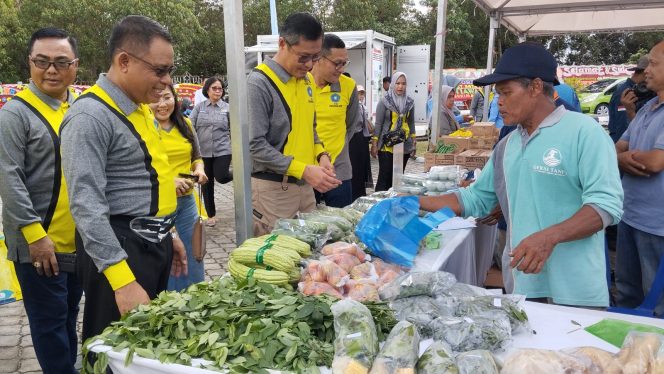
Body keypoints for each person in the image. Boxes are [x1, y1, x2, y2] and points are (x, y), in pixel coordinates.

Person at [419, 42, 623, 308]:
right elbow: (474, 198)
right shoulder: (508, 145)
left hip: (576, 289)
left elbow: (606, 205)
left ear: (536, 87)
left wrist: (549, 237)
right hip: (523, 284)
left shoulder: (585, 132)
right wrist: (413, 202)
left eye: (506, 92)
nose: (499, 102)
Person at [60, 15, 187, 342]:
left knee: (146, 345)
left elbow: (149, 179)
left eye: (169, 71)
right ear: (124, 61)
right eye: (159, 70)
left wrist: (168, 231)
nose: (166, 81)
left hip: (150, 244)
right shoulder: (90, 116)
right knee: (115, 350)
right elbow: (86, 206)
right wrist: (122, 281)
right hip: (119, 251)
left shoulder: (139, 105)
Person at [0, 27, 82, 374]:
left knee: (68, 315)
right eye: (42, 61)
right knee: (49, 324)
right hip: (40, 245)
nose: (51, 70)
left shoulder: (78, 107)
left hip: (77, 241)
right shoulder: (14, 115)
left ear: (75, 66)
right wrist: (36, 237)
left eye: (61, 62)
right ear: (30, 63)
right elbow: (9, 178)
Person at [248, 12, 340, 236]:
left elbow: (311, 129)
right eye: (303, 57)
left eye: (315, 57)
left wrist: (322, 156)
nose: (309, 65)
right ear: (282, 44)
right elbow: (255, 146)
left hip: (305, 187)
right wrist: (304, 170)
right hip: (272, 192)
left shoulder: (306, 80)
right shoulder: (259, 83)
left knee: (310, 259)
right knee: (275, 262)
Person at [615, 42, 664, 315]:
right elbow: (617, 149)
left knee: (657, 304)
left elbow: (656, 162)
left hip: (658, 226)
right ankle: (623, 352)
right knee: (626, 293)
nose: (646, 71)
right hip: (630, 215)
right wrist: (623, 158)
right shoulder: (646, 109)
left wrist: (622, 158)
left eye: (654, 64)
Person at [149, 85, 208, 291]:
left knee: (194, 252)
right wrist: (168, 182)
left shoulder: (186, 124)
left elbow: (197, 157)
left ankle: (197, 298)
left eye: (167, 97)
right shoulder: (145, 128)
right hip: (159, 206)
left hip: (186, 202)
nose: (162, 104)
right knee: (168, 255)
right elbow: (142, 167)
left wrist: (199, 170)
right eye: (156, 99)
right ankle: (172, 304)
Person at [309, 34, 360, 207]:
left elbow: (351, 125)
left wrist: (336, 150)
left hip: (338, 171)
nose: (341, 68)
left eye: (344, 63)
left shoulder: (348, 86)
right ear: (318, 58)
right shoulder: (301, 84)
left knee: (341, 227)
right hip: (306, 171)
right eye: (337, 63)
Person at [190, 77, 232, 227]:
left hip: (223, 150)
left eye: (220, 88)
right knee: (207, 183)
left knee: (221, 176)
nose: (218, 91)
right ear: (207, 90)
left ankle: (238, 175)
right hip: (203, 151)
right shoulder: (199, 108)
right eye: (214, 88)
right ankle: (211, 215)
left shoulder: (227, 108)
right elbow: (190, 127)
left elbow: (234, 129)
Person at [371, 72, 417, 191]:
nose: (400, 87)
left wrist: (414, 140)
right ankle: (380, 203)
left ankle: (393, 204)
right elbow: (378, 123)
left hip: (404, 144)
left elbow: (411, 122)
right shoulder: (384, 101)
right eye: (397, 83)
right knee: (384, 177)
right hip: (386, 145)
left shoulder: (410, 102)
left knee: (397, 179)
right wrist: (375, 143)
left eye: (403, 84)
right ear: (393, 84)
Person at [608, 55, 648, 143]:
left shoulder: (646, 92)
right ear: (645, 73)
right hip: (624, 146)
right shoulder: (625, 93)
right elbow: (623, 127)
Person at [349, 85, 374, 201]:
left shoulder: (363, 107)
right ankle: (355, 192)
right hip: (354, 138)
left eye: (362, 93)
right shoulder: (354, 106)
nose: (361, 96)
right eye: (359, 93)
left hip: (363, 138)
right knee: (356, 166)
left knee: (362, 165)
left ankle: (360, 190)